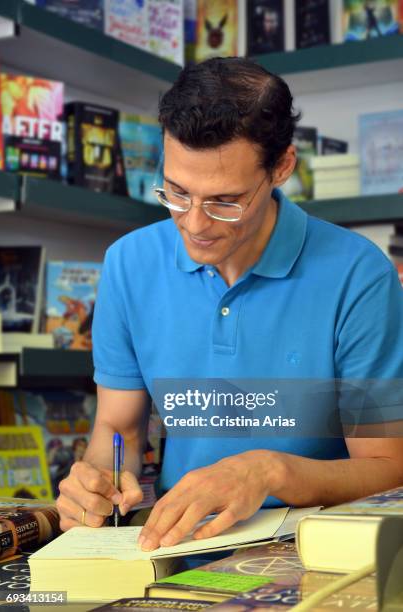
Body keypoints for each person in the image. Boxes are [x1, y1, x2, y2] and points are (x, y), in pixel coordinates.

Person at [56, 57, 403, 552]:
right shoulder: (129, 263)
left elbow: (388, 470)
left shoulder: (359, 274)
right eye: (176, 193)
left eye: (225, 201)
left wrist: (269, 471)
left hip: (316, 551)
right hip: (174, 545)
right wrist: (95, 483)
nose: (195, 224)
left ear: (282, 167)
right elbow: (119, 431)